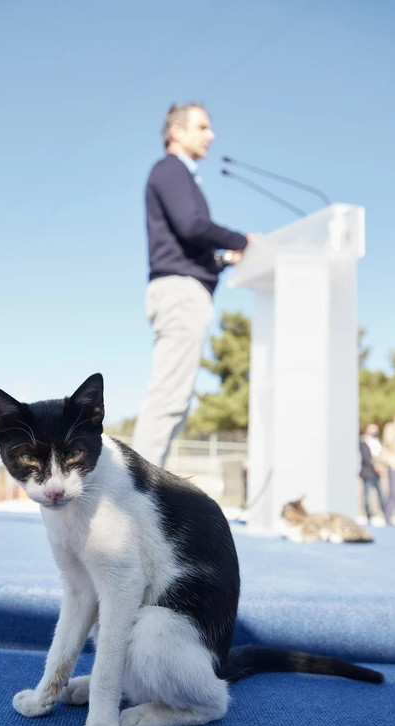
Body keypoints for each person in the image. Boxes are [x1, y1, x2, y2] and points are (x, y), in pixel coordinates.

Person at [132, 103, 253, 467]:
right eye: (202, 127)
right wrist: (242, 241)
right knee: (168, 399)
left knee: (176, 402)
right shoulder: (170, 169)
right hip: (180, 293)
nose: (210, 135)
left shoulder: (179, 174)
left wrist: (222, 259)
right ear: (176, 131)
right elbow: (192, 225)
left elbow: (186, 240)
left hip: (184, 288)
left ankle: (144, 490)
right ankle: (134, 493)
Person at [359, 423, 386, 524]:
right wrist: (375, 466)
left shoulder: (377, 442)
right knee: (367, 494)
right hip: (368, 472)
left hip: (377, 473)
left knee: (381, 493)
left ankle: (384, 513)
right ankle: (368, 515)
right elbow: (366, 458)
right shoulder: (363, 442)